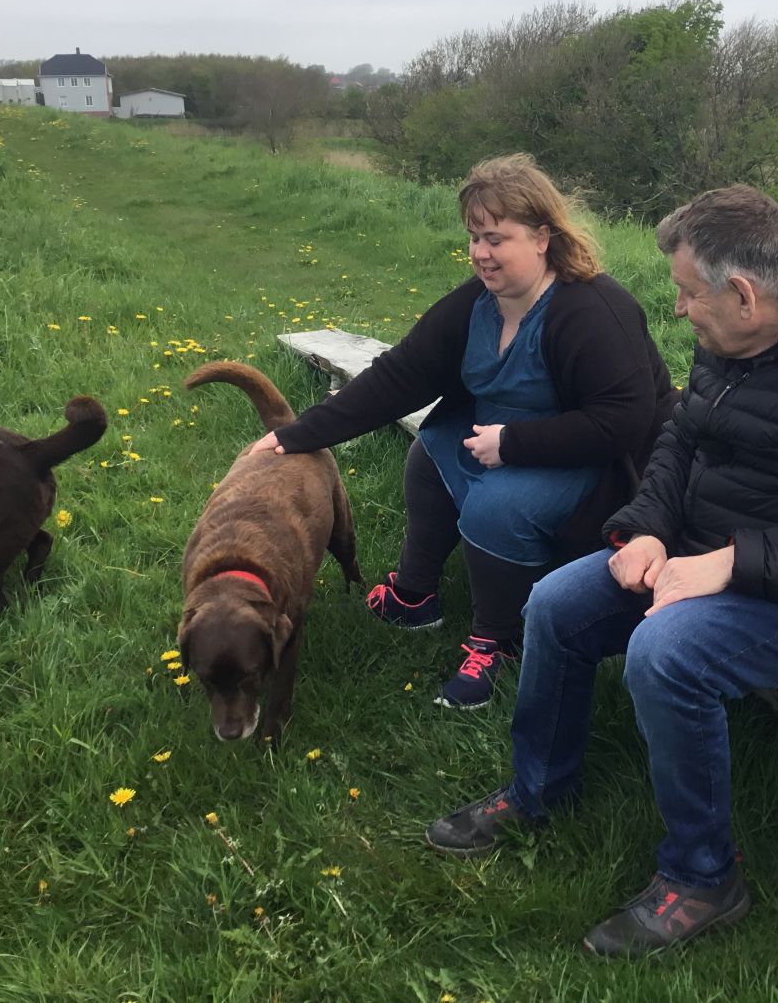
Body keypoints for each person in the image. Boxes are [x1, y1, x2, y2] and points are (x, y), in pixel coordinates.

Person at [424, 185, 778, 956]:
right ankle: (538, 791)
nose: (678, 309)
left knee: (666, 653)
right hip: (695, 553)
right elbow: (680, 439)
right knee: (555, 604)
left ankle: (704, 876)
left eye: (686, 292)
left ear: (742, 293)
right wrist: (645, 528)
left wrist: (728, 565)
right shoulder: (731, 331)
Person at [253, 155, 676, 709]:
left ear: (543, 236)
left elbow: (623, 420)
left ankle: (500, 641)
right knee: (431, 452)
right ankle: (415, 594)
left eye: (497, 238)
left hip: (601, 466)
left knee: (495, 507)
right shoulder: (477, 304)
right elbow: (399, 375)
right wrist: (300, 434)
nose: (480, 253)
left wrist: (515, 444)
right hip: (505, 442)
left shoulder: (592, 309)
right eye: (475, 237)